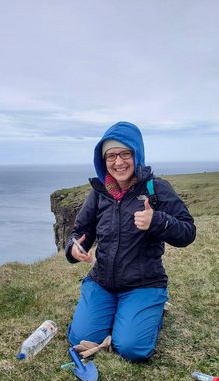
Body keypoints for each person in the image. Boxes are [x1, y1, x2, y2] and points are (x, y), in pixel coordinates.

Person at [65, 121, 196, 362]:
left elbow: (188, 232)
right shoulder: (99, 193)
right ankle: (118, 313)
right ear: (103, 160)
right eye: (111, 156)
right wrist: (74, 247)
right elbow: (80, 231)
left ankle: (152, 312)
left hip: (143, 284)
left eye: (125, 153)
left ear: (137, 154)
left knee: (132, 349)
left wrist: (157, 220)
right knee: (79, 339)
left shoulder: (157, 189)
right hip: (102, 281)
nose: (118, 162)